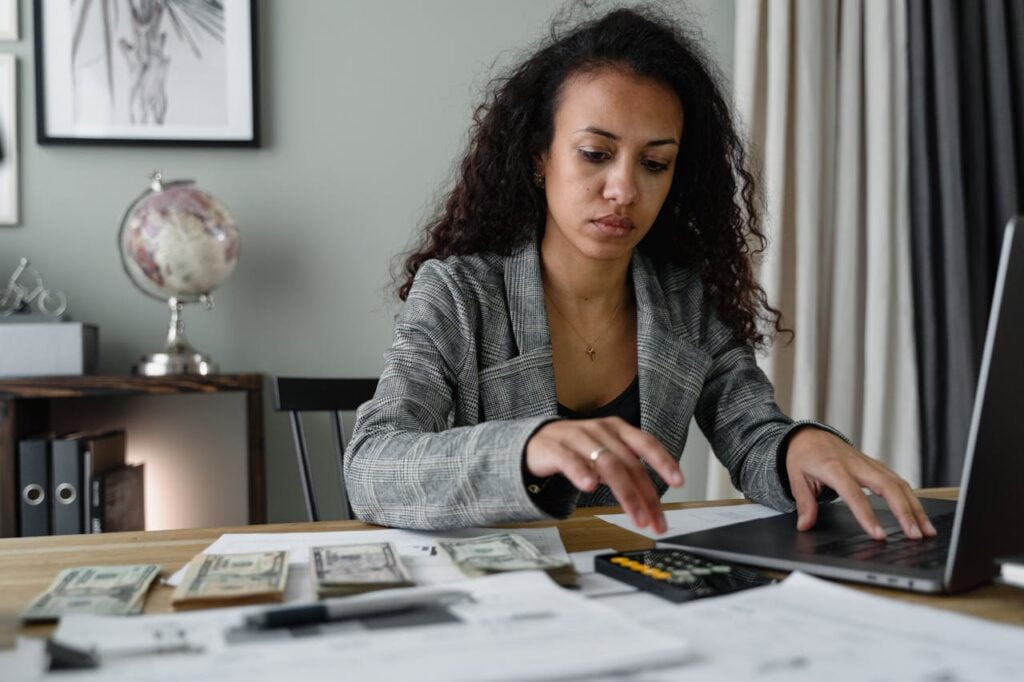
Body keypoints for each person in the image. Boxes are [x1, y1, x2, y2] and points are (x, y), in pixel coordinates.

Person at [346, 6, 935, 542]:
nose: (625, 190)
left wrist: (800, 445)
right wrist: (526, 448)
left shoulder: (682, 300)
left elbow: (752, 434)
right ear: (539, 156)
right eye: (596, 154)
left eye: (655, 163)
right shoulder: (458, 294)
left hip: (632, 584)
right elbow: (372, 465)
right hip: (498, 596)